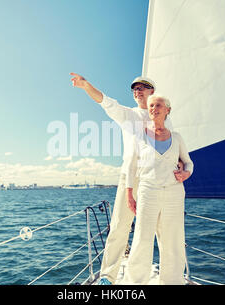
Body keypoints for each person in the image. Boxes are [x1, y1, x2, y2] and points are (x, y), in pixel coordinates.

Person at [71, 73, 167, 285]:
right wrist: (86, 85)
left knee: (162, 229)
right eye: (135, 88)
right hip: (130, 177)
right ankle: (108, 277)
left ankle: (170, 277)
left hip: (157, 177)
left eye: (143, 87)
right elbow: (105, 101)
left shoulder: (162, 117)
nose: (138, 90)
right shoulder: (128, 115)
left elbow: (173, 145)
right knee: (119, 227)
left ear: (152, 91)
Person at [124, 94, 193, 285]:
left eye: (158, 105)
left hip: (174, 193)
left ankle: (172, 282)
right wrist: (129, 195)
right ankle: (136, 283)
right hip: (148, 191)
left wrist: (186, 173)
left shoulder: (177, 137)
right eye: (151, 105)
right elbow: (130, 167)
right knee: (141, 238)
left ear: (167, 110)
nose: (153, 108)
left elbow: (188, 163)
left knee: (172, 239)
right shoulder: (139, 135)